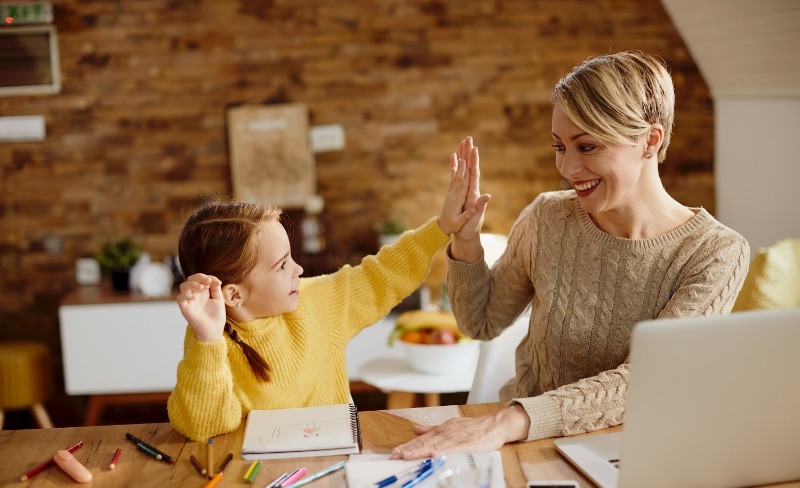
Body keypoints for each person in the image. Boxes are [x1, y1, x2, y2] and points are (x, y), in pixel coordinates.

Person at [390, 51, 750, 460]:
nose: (568, 167)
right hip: (523, 446)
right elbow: (481, 322)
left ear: (651, 140)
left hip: (633, 454)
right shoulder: (547, 217)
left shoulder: (715, 252)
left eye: (587, 146)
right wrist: (466, 240)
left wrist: (509, 420)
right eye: (560, 146)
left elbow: (647, 380)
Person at [168, 154, 490, 442]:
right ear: (234, 294)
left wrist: (441, 228)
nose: (299, 268)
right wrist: (207, 341)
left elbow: (382, 274)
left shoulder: (318, 303)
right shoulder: (209, 340)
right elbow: (204, 426)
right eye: (282, 265)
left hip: (333, 462)